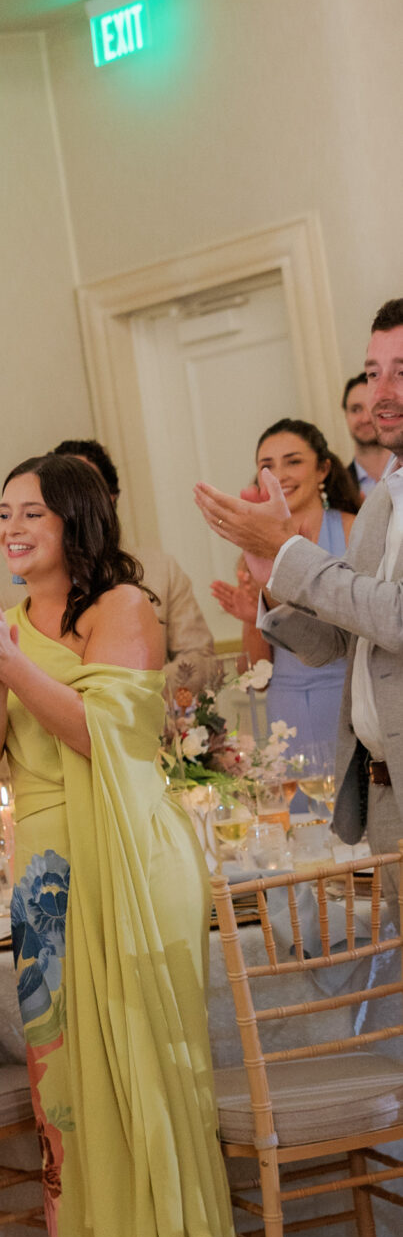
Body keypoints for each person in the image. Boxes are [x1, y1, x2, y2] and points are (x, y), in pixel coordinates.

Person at [0, 455, 251, 1237]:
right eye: (1, 514)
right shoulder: (4, 624)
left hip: (123, 849)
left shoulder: (123, 607)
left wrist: (6, 662)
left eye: (28, 512)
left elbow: (102, 735)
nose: (9, 528)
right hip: (42, 870)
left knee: (142, 1073)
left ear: (73, 519)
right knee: (64, 1086)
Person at [195, 300, 403, 859]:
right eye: (372, 372)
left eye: (401, 372)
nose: (381, 392)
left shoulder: (356, 515)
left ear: (320, 469)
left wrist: (290, 555)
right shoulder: (385, 501)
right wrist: (270, 581)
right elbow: (341, 641)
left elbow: (398, 619)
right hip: (382, 790)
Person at [209, 420, 360, 776]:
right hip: (286, 712)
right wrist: (252, 618)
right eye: (267, 466)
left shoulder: (356, 530)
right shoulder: (256, 550)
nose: (279, 475)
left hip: (349, 700)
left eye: (293, 461)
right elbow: (256, 678)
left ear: (323, 468)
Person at [49, 437, 219, 681]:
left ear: (111, 497)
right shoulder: (12, 595)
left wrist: (134, 696)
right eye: (64, 490)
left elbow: (199, 658)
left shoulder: (162, 570)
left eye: (87, 487)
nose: (76, 501)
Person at [344, 370, 393, 501]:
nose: (366, 418)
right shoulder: (337, 489)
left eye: (373, 406)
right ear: (346, 415)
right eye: (356, 409)